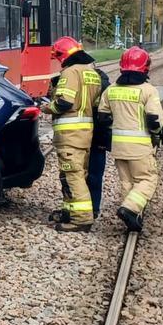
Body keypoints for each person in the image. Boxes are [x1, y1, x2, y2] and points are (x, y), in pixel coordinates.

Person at [96, 46, 163, 232]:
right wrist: (158, 133)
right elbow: (154, 120)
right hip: (140, 147)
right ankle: (130, 208)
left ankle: (133, 217)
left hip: (118, 147)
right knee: (147, 179)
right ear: (145, 67)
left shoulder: (111, 90)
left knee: (127, 182)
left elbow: (103, 117)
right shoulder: (148, 91)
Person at [45, 36, 104, 232]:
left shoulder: (70, 72)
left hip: (70, 134)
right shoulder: (92, 73)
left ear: (63, 55)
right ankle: (69, 211)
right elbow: (95, 105)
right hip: (85, 134)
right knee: (75, 174)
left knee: (73, 176)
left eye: (58, 57)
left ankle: (81, 219)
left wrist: (47, 107)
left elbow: (64, 103)